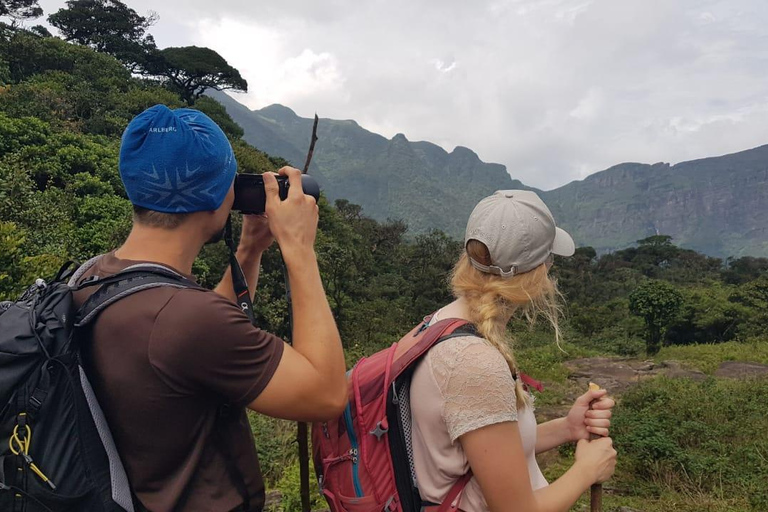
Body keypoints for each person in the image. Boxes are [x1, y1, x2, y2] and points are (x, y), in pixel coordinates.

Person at [73, 105, 347, 511]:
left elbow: (188, 339)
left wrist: (249, 250)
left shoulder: (92, 277)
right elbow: (326, 395)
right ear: (219, 196)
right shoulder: (186, 319)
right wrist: (299, 249)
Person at [409, 190, 617, 512]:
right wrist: (587, 470)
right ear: (540, 270)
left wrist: (567, 428)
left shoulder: (439, 324)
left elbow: (489, 448)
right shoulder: (474, 362)